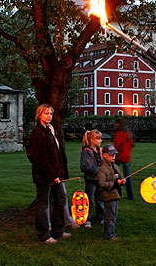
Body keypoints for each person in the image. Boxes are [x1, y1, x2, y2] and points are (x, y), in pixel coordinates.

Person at [26, 104, 71, 244]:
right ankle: (43, 234)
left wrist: (60, 173)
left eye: (51, 113)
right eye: (46, 113)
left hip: (56, 174)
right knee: (43, 204)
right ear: (39, 115)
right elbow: (40, 157)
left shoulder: (51, 130)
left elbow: (57, 154)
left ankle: (58, 230)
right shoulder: (38, 132)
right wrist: (52, 176)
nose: (49, 116)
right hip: (44, 176)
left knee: (60, 200)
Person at [98, 144, 126, 241]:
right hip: (108, 195)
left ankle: (112, 232)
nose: (113, 157)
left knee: (114, 215)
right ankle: (109, 235)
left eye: (114, 155)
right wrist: (114, 183)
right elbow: (102, 184)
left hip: (115, 194)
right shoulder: (102, 169)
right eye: (111, 155)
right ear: (104, 155)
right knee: (109, 216)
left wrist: (122, 180)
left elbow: (120, 175)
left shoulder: (115, 166)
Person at [79, 129, 104, 227]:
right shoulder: (86, 152)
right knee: (89, 200)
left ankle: (101, 217)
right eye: (98, 139)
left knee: (100, 200)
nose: (100, 141)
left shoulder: (100, 151)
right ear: (92, 140)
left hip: (99, 179)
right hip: (90, 179)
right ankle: (87, 219)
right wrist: (97, 169)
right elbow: (83, 166)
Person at [113, 118, 135, 200]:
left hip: (119, 156)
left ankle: (118, 193)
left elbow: (117, 146)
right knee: (128, 176)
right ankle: (130, 195)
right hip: (127, 156)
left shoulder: (119, 134)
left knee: (117, 176)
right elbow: (131, 144)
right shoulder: (128, 134)